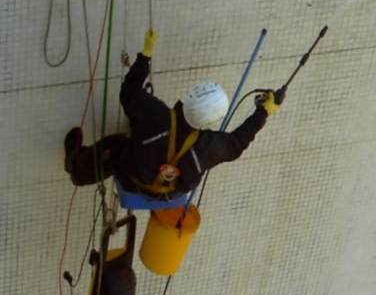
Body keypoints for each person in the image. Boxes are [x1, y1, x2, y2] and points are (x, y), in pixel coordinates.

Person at [64, 29, 283, 197]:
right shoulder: (209, 147)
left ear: (188, 98)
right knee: (141, 136)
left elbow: (128, 92)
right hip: (167, 195)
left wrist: (145, 55)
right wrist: (263, 112)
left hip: (135, 178)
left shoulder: (155, 114)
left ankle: (76, 168)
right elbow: (237, 144)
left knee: (117, 145)